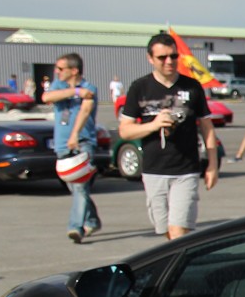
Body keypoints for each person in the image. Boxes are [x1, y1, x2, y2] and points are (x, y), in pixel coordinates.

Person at [120, 32, 220, 238]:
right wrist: (154, 125)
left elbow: (207, 127)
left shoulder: (192, 87)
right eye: (162, 57)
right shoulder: (139, 88)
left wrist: (212, 165)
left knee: (178, 230)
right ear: (150, 59)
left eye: (173, 56)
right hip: (154, 170)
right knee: (166, 231)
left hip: (186, 170)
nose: (169, 61)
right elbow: (125, 131)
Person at [43, 52, 101, 244]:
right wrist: (75, 92)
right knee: (73, 186)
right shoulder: (58, 85)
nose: (57, 72)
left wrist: (75, 134)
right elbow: (47, 97)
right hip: (61, 143)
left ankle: (75, 227)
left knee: (80, 186)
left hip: (83, 141)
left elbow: (85, 110)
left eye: (61, 68)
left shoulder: (89, 88)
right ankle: (92, 220)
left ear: (74, 70)